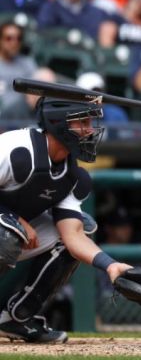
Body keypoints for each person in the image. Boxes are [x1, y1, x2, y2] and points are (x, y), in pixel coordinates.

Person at [0, 96, 134, 343]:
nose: (90, 130)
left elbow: (73, 236)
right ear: (58, 122)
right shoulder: (16, 148)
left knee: (83, 226)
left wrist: (110, 265)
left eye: (90, 122)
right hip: (7, 227)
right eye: (82, 122)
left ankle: (18, 318)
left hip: (12, 229)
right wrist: (13, 217)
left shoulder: (73, 176)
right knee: (7, 233)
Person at [0, 21, 37, 108]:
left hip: (24, 114)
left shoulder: (28, 63)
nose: (14, 42)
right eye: (9, 38)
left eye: (18, 38)